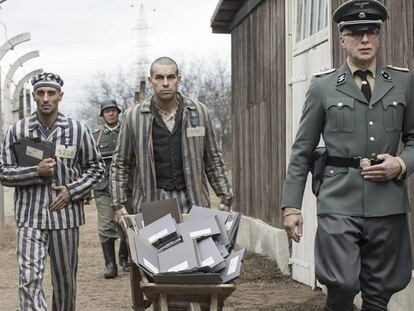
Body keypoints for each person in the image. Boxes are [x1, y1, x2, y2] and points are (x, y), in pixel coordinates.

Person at [282, 1, 414, 310]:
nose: (364, 40)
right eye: (356, 34)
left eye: (371, 32)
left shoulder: (404, 83)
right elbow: (302, 150)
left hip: (387, 203)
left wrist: (401, 163)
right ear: (343, 39)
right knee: (341, 283)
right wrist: (291, 207)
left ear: (379, 37)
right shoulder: (323, 87)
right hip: (338, 199)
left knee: (380, 291)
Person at [0, 72, 105, 311]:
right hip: (30, 219)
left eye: (51, 93)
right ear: (34, 96)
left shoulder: (77, 130)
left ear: (60, 96)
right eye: (40, 93)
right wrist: (35, 172)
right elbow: (4, 171)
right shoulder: (18, 131)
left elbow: (97, 168)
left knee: (65, 283)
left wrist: (72, 190)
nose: (46, 98)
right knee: (29, 279)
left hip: (65, 219)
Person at [110, 56, 233, 221]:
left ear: (178, 80)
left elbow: (213, 158)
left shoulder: (198, 112)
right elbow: (120, 163)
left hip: (193, 201)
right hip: (153, 201)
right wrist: (118, 203)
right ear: (150, 80)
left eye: (171, 77)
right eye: (159, 77)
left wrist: (225, 195)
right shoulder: (133, 117)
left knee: (196, 246)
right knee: (158, 246)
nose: (165, 83)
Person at [92, 99, 131, 278]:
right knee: (107, 224)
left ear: (118, 113)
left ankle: (125, 257)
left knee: (127, 223)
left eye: (113, 111)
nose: (110, 114)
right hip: (104, 188)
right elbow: (90, 163)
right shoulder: (96, 137)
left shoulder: (128, 133)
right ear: (102, 115)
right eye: (107, 111)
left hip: (126, 187)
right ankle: (110, 264)